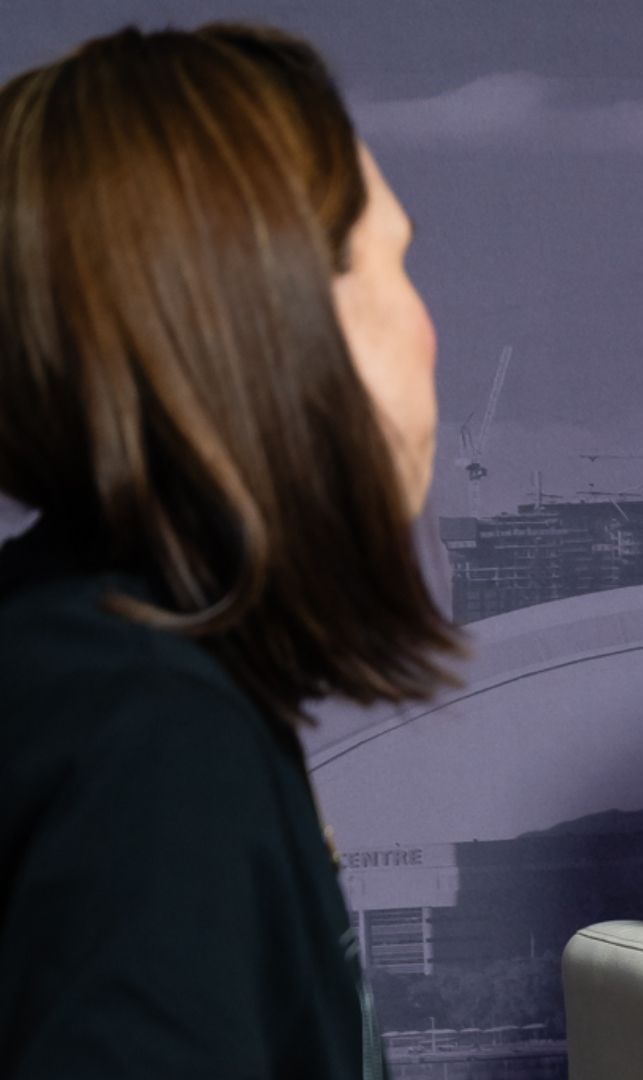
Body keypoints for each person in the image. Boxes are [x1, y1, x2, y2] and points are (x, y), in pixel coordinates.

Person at [0, 24, 456, 1079]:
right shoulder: (152, 744)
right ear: (263, 319)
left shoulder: (84, 663)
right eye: (387, 262)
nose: (427, 327)